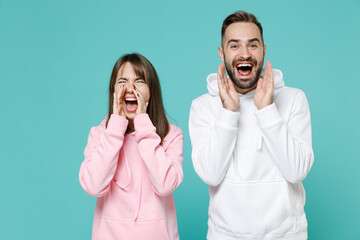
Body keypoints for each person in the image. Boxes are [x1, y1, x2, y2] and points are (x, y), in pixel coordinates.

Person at [189, 11, 314, 240]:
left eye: (253, 45)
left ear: (264, 50)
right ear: (222, 53)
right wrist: (228, 112)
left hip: (287, 235)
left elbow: (296, 171)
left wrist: (267, 110)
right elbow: (211, 174)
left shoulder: (294, 99)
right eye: (234, 46)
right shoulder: (202, 106)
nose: (244, 54)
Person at [79, 53, 184, 240]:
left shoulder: (172, 135)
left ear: (152, 90)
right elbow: (93, 186)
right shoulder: (99, 134)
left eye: (139, 81)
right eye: (122, 81)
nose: (130, 88)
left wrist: (144, 125)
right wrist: (115, 127)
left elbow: (165, 185)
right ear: (113, 91)